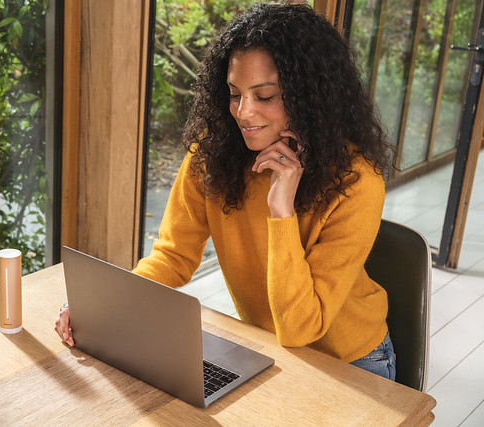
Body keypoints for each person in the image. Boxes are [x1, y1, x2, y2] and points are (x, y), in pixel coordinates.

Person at [56, 3, 396, 380]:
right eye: (235, 94)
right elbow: (172, 257)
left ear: (312, 96)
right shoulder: (212, 157)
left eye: (265, 96)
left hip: (351, 362)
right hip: (267, 349)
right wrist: (104, 307)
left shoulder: (356, 181)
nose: (244, 112)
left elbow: (301, 328)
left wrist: (281, 208)